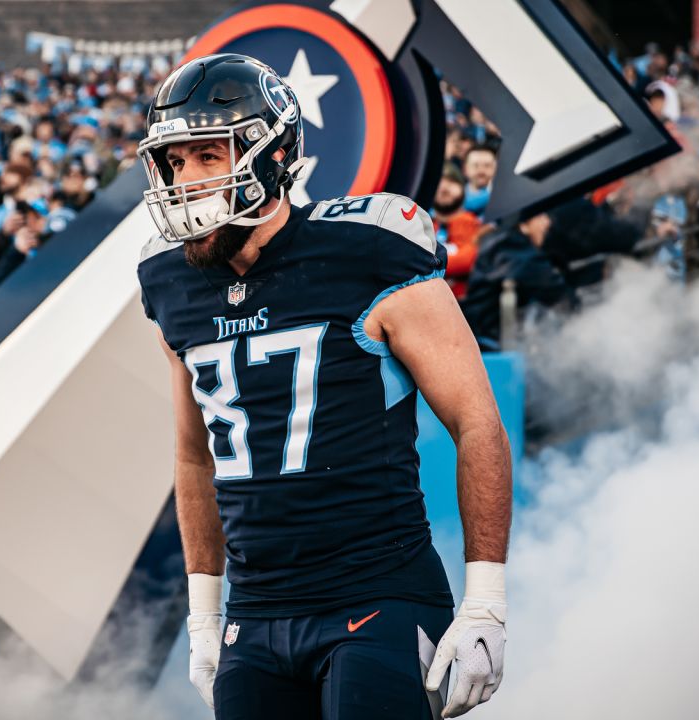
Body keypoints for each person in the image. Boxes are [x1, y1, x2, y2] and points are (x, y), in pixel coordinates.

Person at [135, 54, 511, 720]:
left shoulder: (369, 249)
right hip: (254, 612)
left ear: (272, 153)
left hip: (377, 596)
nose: (184, 180)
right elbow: (195, 456)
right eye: (173, 162)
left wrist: (485, 600)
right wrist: (204, 614)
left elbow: (476, 420)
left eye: (204, 156)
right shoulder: (170, 281)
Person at [461, 213, 573, 345]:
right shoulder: (512, 247)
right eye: (541, 216)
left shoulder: (503, 241)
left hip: (486, 332)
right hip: (490, 338)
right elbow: (556, 293)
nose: (547, 222)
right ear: (524, 224)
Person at [431, 164, 486, 300]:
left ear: (463, 188)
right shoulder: (423, 226)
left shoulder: (471, 223)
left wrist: (425, 265)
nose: (444, 188)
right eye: (438, 182)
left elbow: (468, 260)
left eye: (451, 182)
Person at [461, 145, 497, 218]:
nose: (481, 171)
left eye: (487, 165)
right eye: (475, 165)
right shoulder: (455, 196)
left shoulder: (505, 199)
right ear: (465, 169)